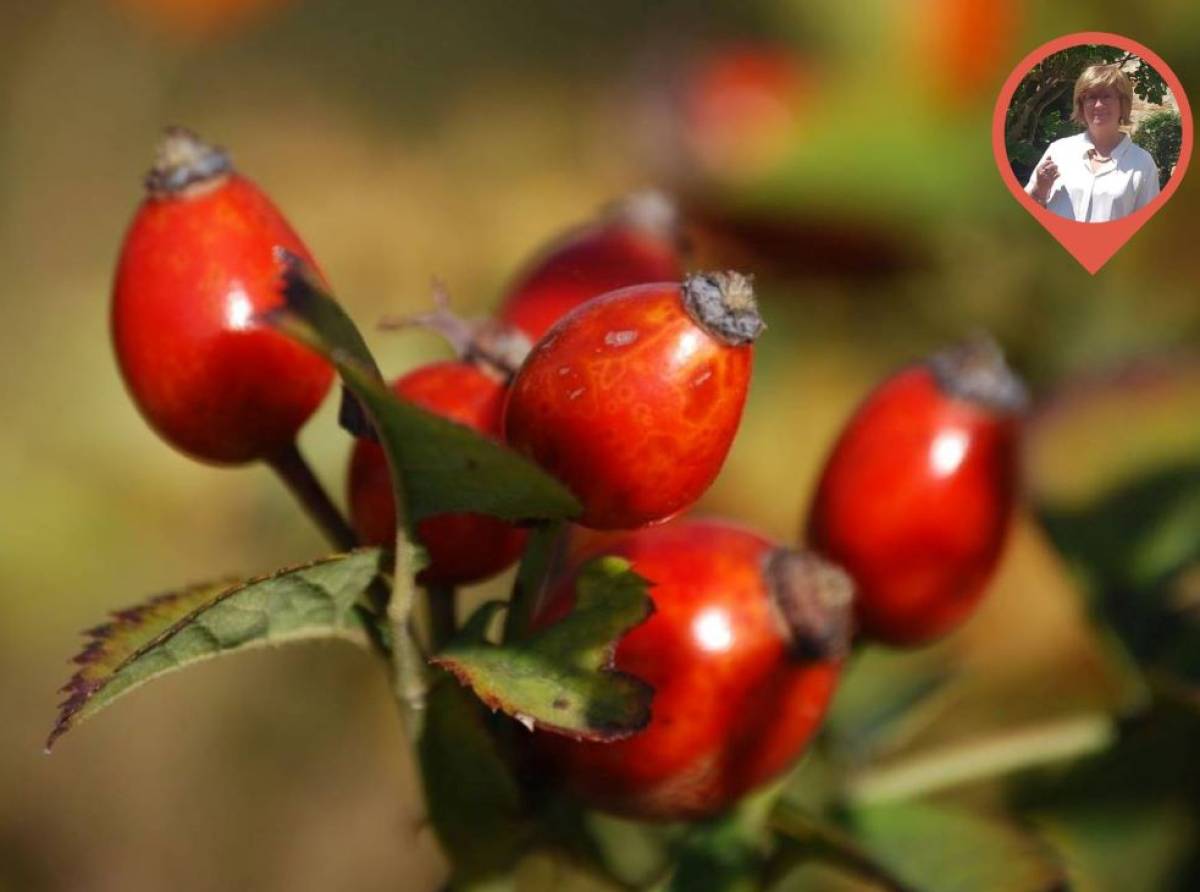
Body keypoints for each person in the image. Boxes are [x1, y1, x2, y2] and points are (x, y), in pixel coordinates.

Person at [1025, 63, 1160, 222]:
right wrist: (1039, 191)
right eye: (1091, 97)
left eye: (1106, 96)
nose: (1098, 105)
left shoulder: (1142, 162)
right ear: (1081, 105)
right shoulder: (1059, 151)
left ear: (1122, 103)